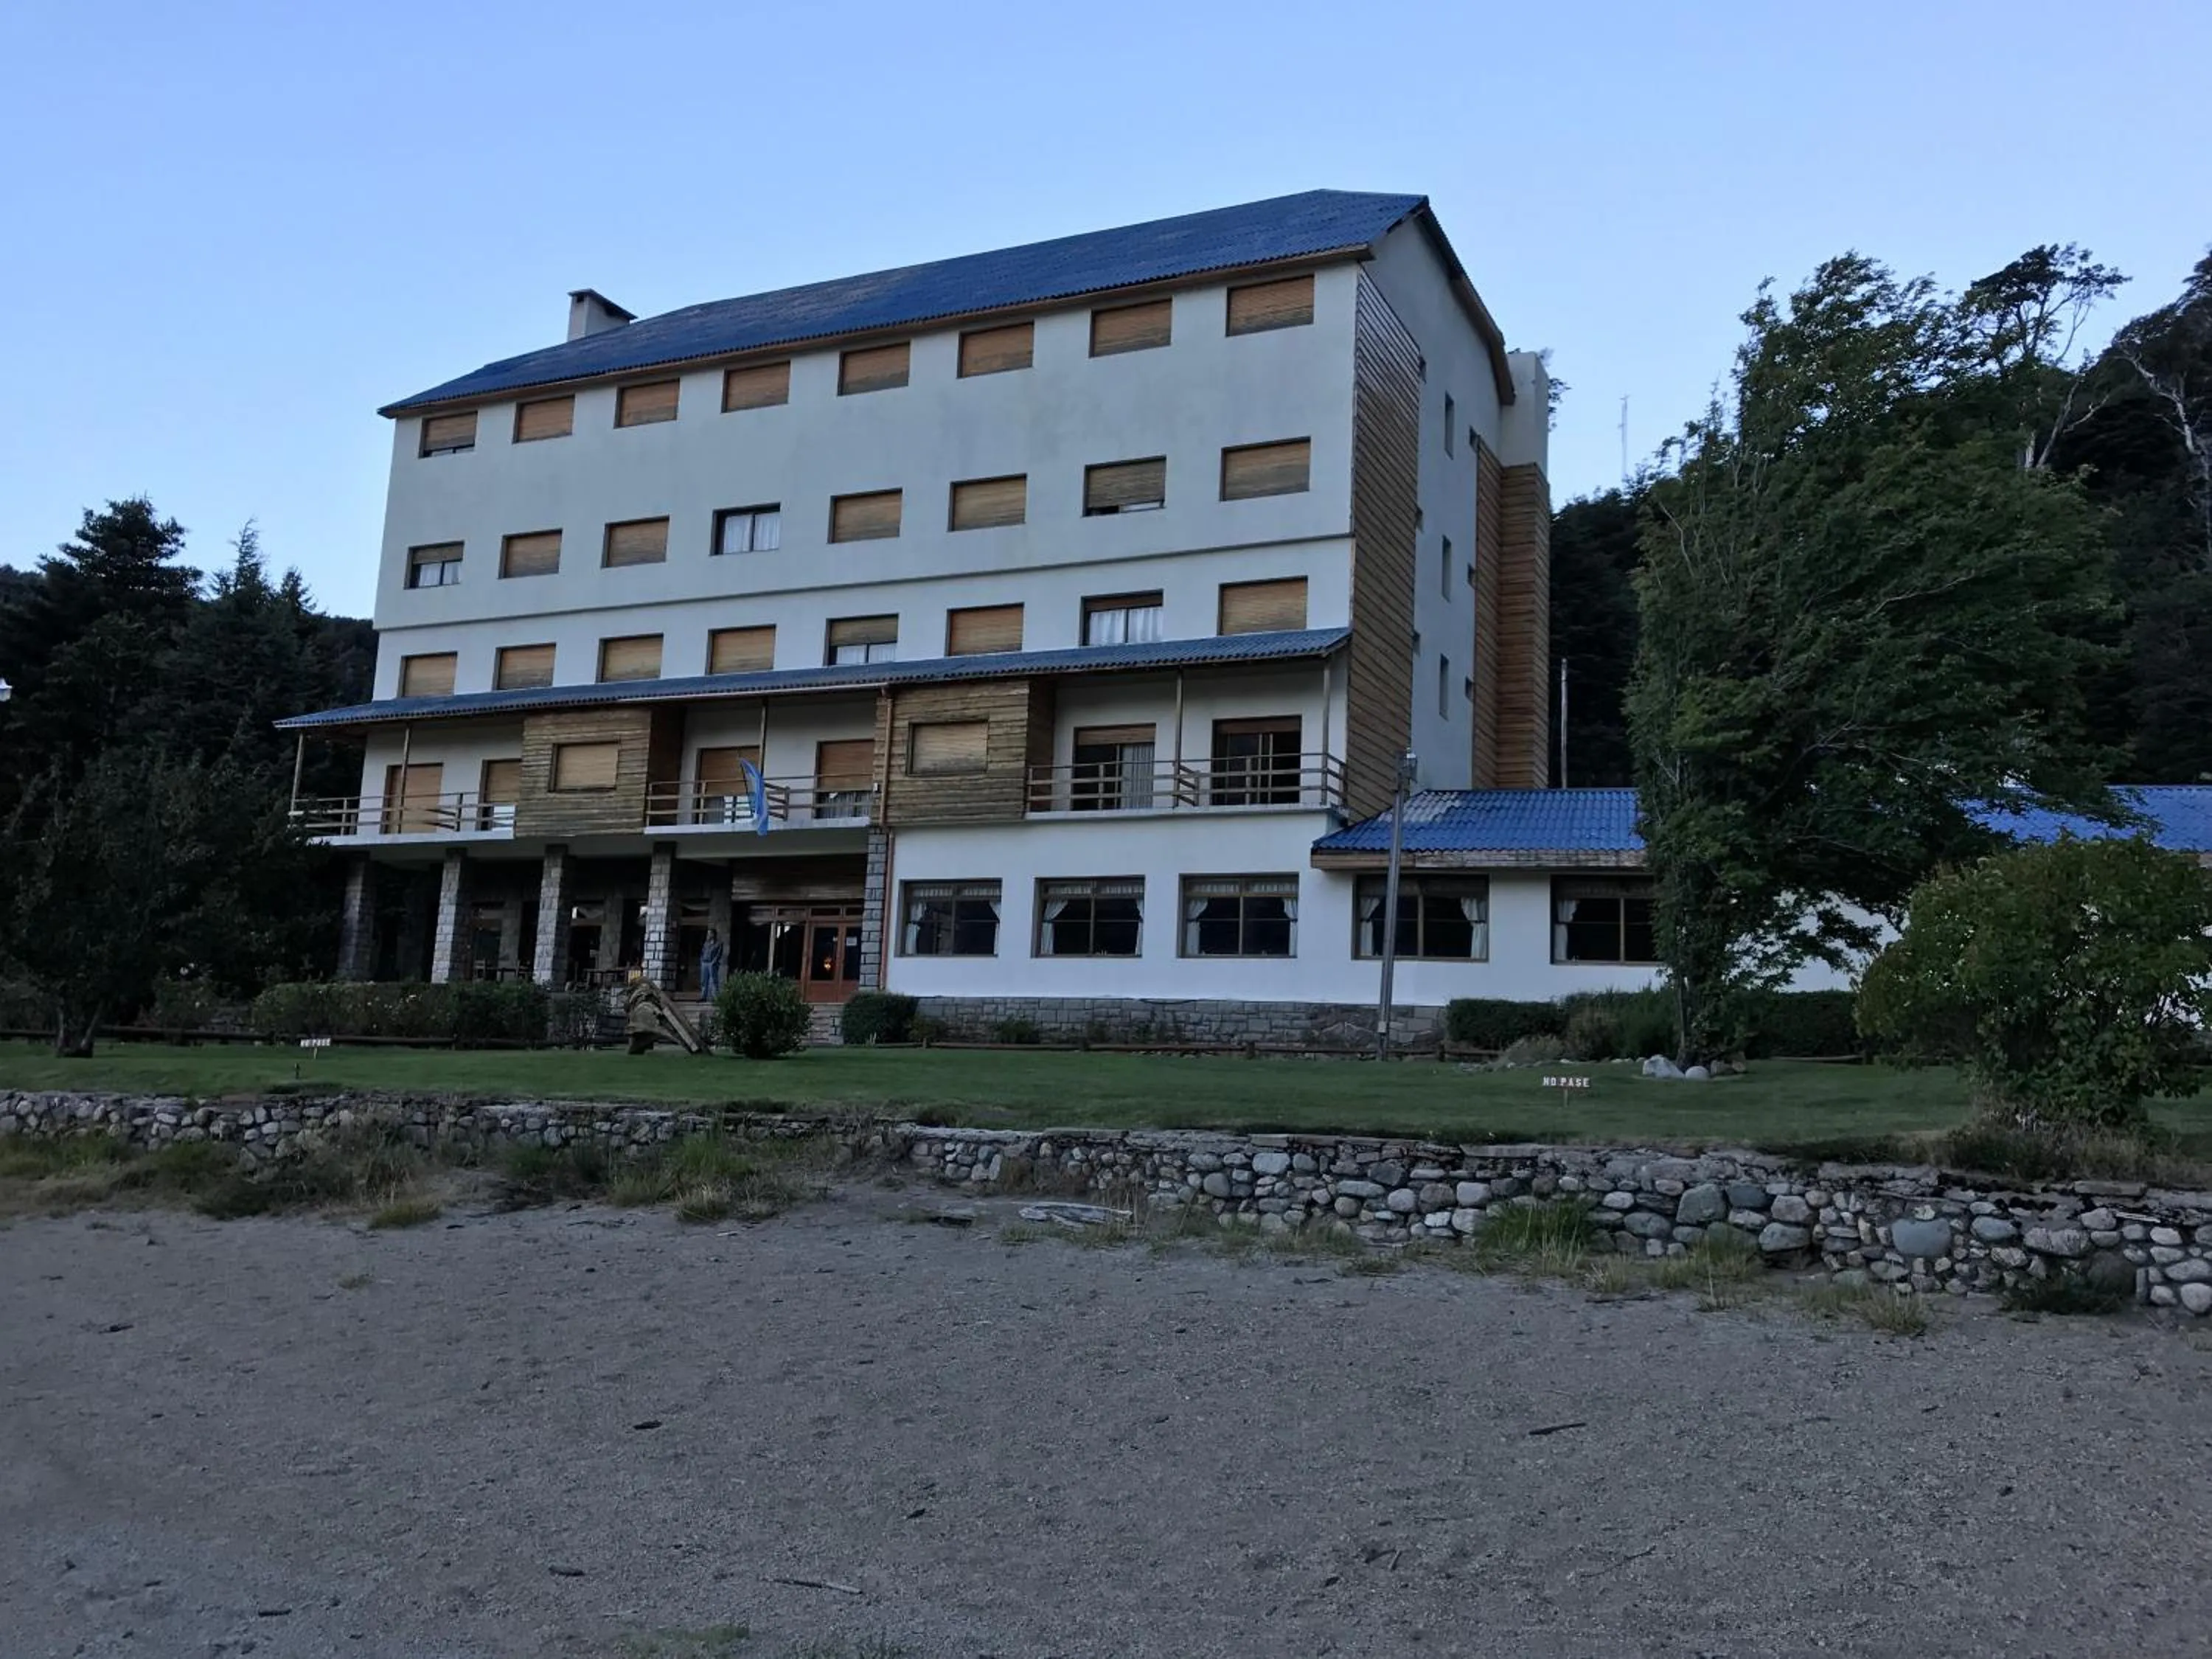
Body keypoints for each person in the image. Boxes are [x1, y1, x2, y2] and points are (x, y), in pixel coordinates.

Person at [699, 927, 726, 999]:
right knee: (704, 981)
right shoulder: (706, 943)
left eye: (709, 934)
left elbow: (719, 954)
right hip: (704, 963)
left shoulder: (719, 944)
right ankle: (703, 997)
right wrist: (701, 960)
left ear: (713, 934)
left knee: (713, 981)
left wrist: (714, 962)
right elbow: (702, 952)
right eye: (708, 934)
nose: (708, 935)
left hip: (712, 963)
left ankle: (715, 998)